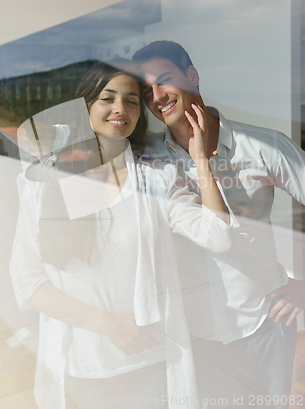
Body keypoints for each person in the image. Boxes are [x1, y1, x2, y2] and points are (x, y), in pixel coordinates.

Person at [9, 60, 233, 409]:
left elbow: (218, 236)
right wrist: (105, 323)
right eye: (107, 98)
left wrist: (200, 159)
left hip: (151, 362)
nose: (120, 109)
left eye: (131, 100)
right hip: (83, 366)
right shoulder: (43, 182)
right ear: (86, 108)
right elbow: (27, 282)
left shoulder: (157, 181)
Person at [132, 41, 305, 409]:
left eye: (164, 81)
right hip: (196, 336)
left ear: (192, 76)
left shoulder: (262, 146)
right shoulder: (149, 164)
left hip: (267, 325)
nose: (158, 96)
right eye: (147, 91)